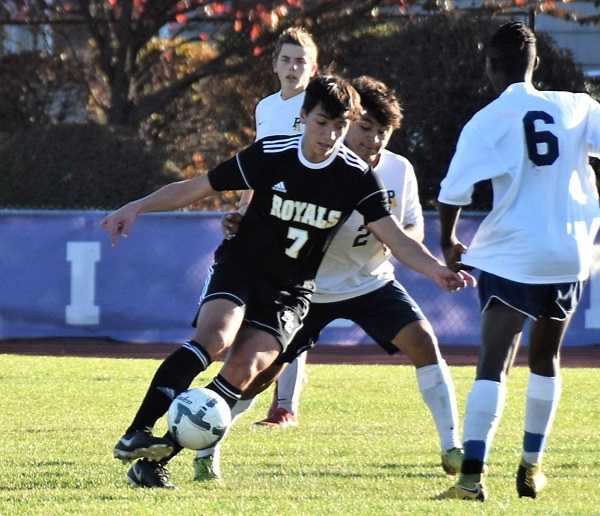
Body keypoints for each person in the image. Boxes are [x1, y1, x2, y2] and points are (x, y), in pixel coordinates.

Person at [102, 74, 474, 488]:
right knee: (216, 337)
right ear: (303, 117)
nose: (329, 135)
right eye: (321, 123)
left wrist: (438, 270)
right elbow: (198, 186)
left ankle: (158, 459)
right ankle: (138, 430)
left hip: (291, 292)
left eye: (338, 125)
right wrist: (137, 206)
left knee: (246, 370)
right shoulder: (272, 153)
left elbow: (397, 239)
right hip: (244, 267)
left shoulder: (356, 176)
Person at [209, 76, 463, 482]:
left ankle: (453, 447)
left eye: (384, 132)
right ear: (349, 122)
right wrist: (243, 222)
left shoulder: (400, 170)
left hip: (370, 281)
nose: (374, 140)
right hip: (307, 288)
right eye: (366, 129)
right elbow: (274, 204)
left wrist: (411, 251)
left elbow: (410, 229)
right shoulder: (325, 158)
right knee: (256, 375)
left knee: (424, 341)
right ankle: (209, 442)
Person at [437, 22, 600, 501]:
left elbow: (452, 193)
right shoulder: (577, 105)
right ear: (537, 65)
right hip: (567, 252)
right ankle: (531, 466)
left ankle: (471, 478)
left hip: (514, 253)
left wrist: (448, 242)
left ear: (490, 65)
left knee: (493, 362)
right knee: (547, 359)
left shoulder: (488, 119)